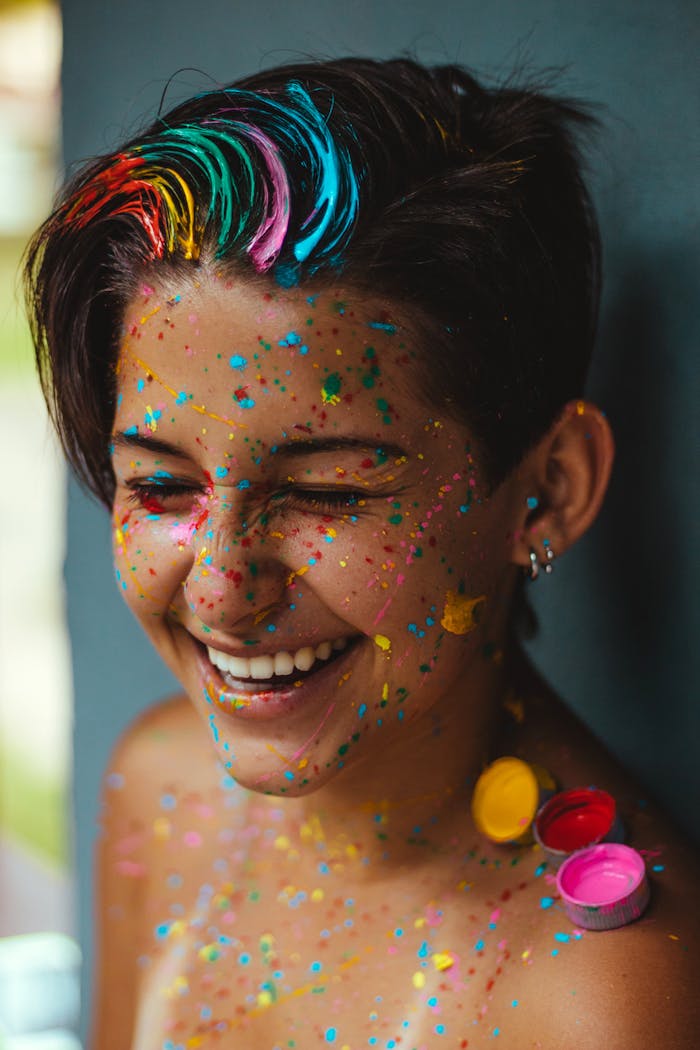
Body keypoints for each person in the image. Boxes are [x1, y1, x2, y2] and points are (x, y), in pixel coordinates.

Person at [25, 57, 698, 1049]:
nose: (219, 585)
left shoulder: (606, 991)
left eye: (326, 491)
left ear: (547, 488)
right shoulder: (161, 789)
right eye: (162, 486)